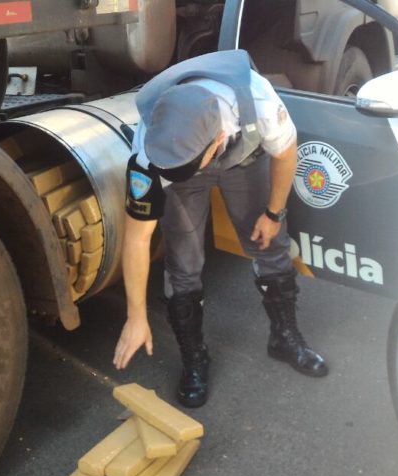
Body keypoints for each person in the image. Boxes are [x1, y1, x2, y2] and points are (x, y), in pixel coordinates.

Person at [111, 49, 327, 408]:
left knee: (270, 242)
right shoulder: (149, 149)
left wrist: (273, 214)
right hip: (184, 165)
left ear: (215, 144)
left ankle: (285, 337)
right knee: (183, 264)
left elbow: (286, 154)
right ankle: (195, 359)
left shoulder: (258, 101)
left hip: (244, 158)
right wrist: (135, 316)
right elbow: (137, 238)